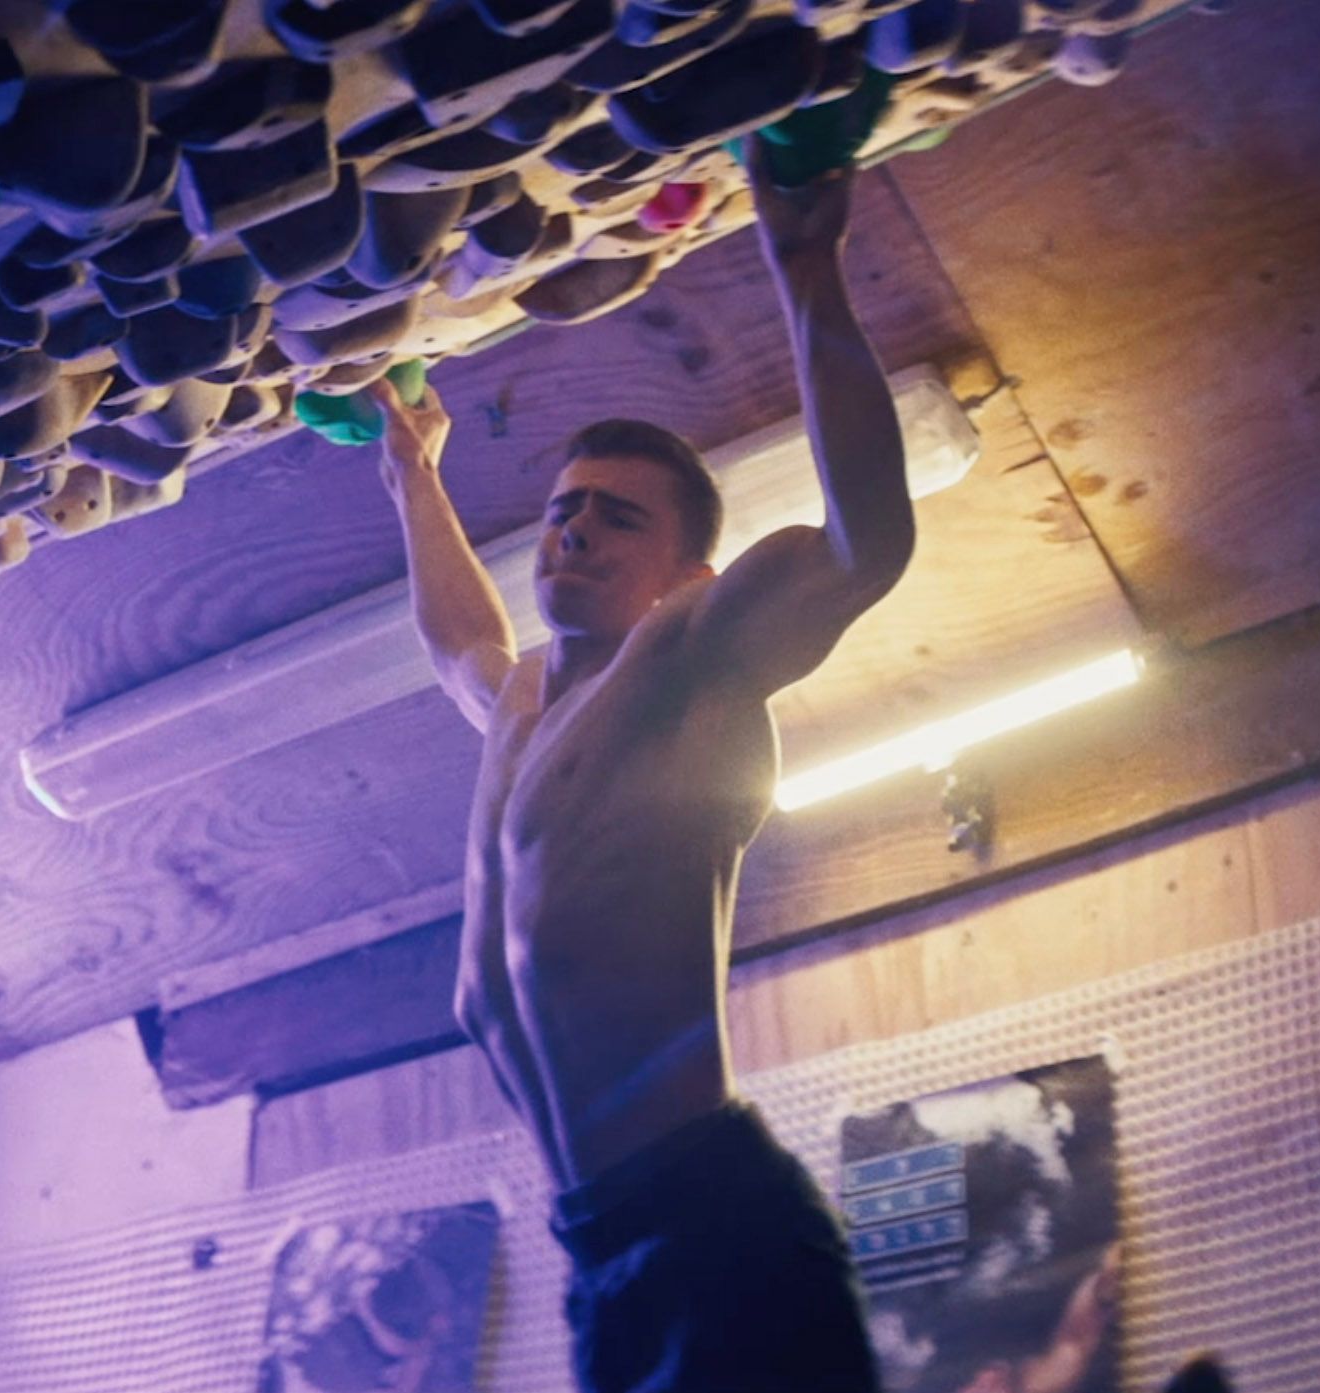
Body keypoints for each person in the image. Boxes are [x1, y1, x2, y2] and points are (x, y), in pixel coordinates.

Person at [369, 150, 911, 1393]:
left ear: (686, 578)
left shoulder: (687, 664)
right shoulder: (516, 709)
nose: (574, 527)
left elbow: (862, 543)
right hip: (597, 1238)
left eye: (618, 516)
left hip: (709, 1219)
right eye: (565, 508)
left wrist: (806, 267)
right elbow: (458, 639)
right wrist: (412, 472)